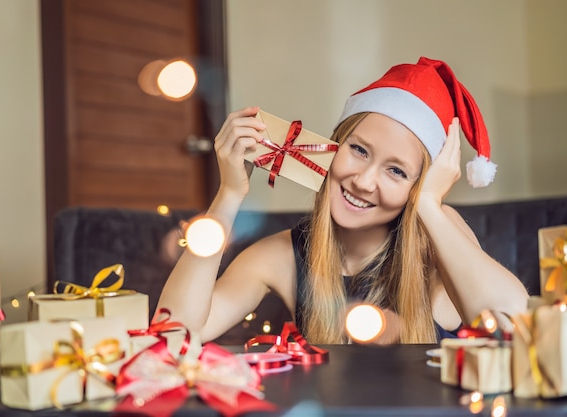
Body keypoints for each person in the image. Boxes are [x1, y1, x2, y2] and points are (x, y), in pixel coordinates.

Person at [157, 56, 530, 344]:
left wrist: (430, 205)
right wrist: (229, 194)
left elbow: (513, 322)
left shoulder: (440, 235)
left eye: (397, 171)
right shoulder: (282, 255)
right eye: (359, 150)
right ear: (333, 144)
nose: (364, 181)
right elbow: (173, 335)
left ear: (421, 184)